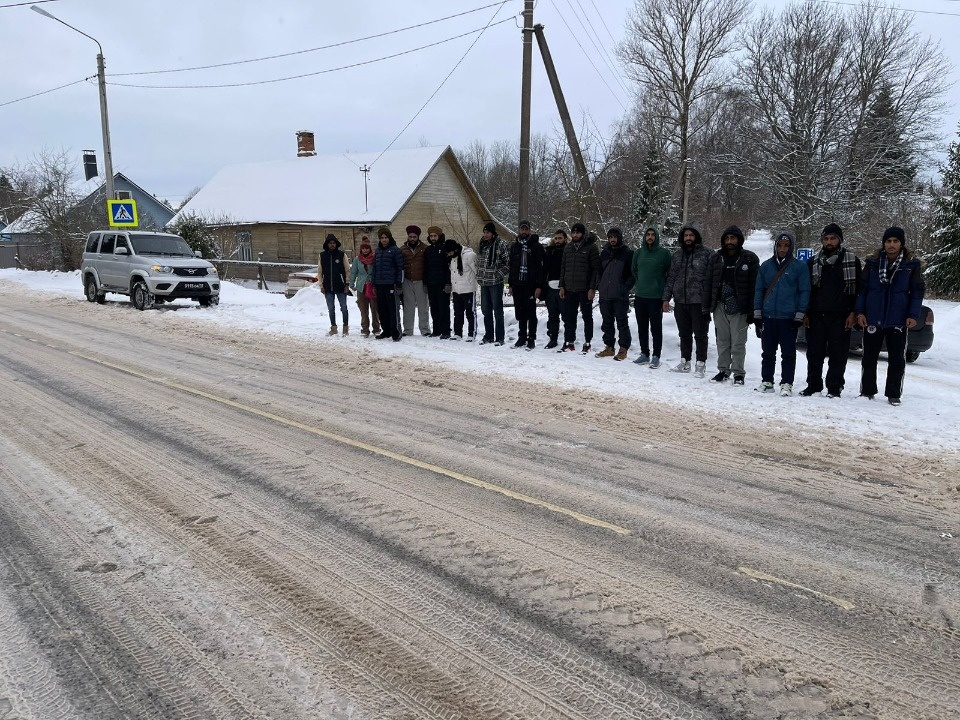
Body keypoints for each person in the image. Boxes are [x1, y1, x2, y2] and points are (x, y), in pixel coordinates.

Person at [855, 226, 924, 406]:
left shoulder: (911, 265)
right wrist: (860, 312)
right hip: (872, 317)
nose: (891, 245)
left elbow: (917, 293)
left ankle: (893, 394)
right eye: (888, 241)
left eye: (895, 241)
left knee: (896, 359)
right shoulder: (872, 263)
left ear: (901, 244)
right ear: (883, 243)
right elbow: (862, 291)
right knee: (869, 357)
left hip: (898, 319)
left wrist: (912, 315)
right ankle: (867, 391)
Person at [799, 223, 862, 398]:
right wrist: (805, 312)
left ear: (839, 240)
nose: (829, 242)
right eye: (826, 238)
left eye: (833, 238)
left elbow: (858, 290)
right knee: (814, 353)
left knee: (838, 354)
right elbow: (806, 290)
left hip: (842, 315)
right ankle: (813, 385)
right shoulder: (813, 262)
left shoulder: (851, 260)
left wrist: (853, 313)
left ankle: (834, 387)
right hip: (816, 315)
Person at [754, 231, 811, 395]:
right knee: (767, 353)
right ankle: (767, 381)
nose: (782, 249)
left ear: (791, 247)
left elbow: (804, 291)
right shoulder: (765, 266)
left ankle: (787, 383)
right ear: (775, 246)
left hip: (788, 317)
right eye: (780, 245)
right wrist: (757, 313)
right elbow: (759, 290)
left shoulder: (799, 267)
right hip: (768, 316)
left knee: (788, 353)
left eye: (786, 246)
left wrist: (800, 314)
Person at [702, 225, 759, 385]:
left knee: (738, 343)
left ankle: (739, 373)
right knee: (722, 341)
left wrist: (752, 310)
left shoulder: (749, 258)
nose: (729, 241)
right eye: (727, 238)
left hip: (740, 307)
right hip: (719, 305)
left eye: (733, 238)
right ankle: (723, 370)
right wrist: (706, 308)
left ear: (739, 239)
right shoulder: (716, 258)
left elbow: (755, 286)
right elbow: (708, 284)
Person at [663, 223, 713, 376]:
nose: (688, 238)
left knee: (700, 334)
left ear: (696, 237)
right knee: (684, 333)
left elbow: (713, 279)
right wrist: (666, 298)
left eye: (691, 235)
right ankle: (685, 362)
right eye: (686, 235)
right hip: (680, 300)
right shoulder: (677, 255)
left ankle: (700, 364)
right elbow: (671, 277)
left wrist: (710, 299)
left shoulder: (707, 254)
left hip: (699, 301)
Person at [631, 226, 671, 368]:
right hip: (640, 296)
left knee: (656, 328)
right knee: (642, 327)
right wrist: (641, 283)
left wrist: (662, 291)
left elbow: (669, 274)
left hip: (656, 298)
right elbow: (634, 270)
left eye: (653, 235)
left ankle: (656, 356)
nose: (650, 237)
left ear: (657, 237)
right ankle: (644, 354)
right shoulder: (638, 253)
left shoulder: (664, 254)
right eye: (647, 234)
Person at [558, 222, 601, 353]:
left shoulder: (591, 248)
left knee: (587, 316)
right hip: (570, 288)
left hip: (585, 289)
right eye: (573, 232)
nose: (575, 235)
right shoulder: (568, 248)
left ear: (583, 233)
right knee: (569, 316)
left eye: (578, 232)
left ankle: (587, 342)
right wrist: (561, 286)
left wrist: (592, 288)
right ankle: (569, 341)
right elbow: (563, 268)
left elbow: (596, 270)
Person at [595, 227, 634, 360]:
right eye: (610, 237)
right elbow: (599, 272)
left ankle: (623, 348)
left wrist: (624, 288)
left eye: (615, 237)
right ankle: (609, 347)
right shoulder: (604, 253)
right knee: (607, 322)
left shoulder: (627, 253)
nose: (612, 239)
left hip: (620, 295)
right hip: (605, 293)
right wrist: (599, 285)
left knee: (622, 322)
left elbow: (632, 275)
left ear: (619, 238)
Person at [508, 219, 546, 349]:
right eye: (522, 229)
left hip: (530, 285)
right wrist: (511, 284)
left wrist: (539, 286)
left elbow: (541, 268)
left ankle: (532, 338)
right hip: (517, 284)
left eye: (526, 229)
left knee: (531, 313)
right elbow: (511, 266)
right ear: (519, 230)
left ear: (529, 230)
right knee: (520, 313)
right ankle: (521, 337)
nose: (524, 231)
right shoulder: (514, 246)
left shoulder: (536, 246)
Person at [476, 221, 509, 345]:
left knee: (498, 311)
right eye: (484, 232)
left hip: (495, 282)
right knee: (486, 310)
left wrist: (497, 274)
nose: (485, 235)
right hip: (484, 282)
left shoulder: (501, 244)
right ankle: (488, 336)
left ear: (493, 233)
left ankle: (500, 338)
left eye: (488, 232)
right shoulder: (482, 244)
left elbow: (508, 264)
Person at [372, 226, 404, 341]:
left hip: (391, 284)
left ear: (389, 238)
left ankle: (396, 332)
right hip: (379, 285)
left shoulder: (395, 250)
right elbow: (375, 268)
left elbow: (400, 268)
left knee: (393, 309)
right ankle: (386, 331)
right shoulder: (378, 251)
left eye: (386, 237)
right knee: (382, 309)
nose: (384, 240)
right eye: (382, 238)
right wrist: (374, 284)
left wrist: (399, 284)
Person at [400, 225, 431, 336]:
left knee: (423, 307)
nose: (412, 238)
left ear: (418, 236)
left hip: (421, 280)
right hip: (407, 281)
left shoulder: (425, 248)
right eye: (410, 236)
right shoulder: (402, 249)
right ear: (408, 236)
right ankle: (408, 330)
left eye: (414, 236)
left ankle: (425, 329)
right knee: (408, 307)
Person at [446, 238, 478, 341]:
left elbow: (477, 271)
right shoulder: (452, 258)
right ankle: (458, 333)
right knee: (457, 313)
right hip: (456, 290)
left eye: (450, 252)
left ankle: (471, 334)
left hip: (468, 289)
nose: (449, 254)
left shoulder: (469, 255)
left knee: (470, 313)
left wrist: (474, 284)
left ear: (455, 250)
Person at [319, 233, 350, 336]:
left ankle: (345, 328)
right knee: (331, 309)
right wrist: (321, 285)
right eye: (330, 243)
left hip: (341, 286)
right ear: (327, 244)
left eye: (334, 243)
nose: (332, 245)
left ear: (336, 244)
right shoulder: (322, 256)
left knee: (344, 307)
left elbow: (347, 270)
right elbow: (319, 272)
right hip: (328, 286)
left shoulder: (341, 255)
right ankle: (333, 328)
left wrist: (347, 283)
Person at [349, 235, 381, 337]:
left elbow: (378, 271)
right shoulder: (357, 260)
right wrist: (351, 283)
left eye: (367, 248)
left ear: (370, 249)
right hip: (361, 287)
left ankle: (376, 328)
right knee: (363, 309)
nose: (365, 250)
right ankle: (365, 329)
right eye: (363, 248)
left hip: (372, 286)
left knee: (375, 309)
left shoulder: (375, 258)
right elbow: (353, 272)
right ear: (361, 249)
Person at [424, 225, 452, 339]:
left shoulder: (445, 249)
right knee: (434, 308)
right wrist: (425, 283)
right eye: (431, 236)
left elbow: (448, 268)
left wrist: (448, 283)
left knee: (444, 307)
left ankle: (446, 331)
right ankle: (436, 330)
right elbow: (426, 267)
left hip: (442, 283)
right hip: (431, 283)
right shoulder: (428, 250)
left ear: (439, 236)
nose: (433, 238)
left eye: (435, 236)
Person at [542, 229, 568, 349]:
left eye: (560, 238)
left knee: (566, 315)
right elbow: (544, 269)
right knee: (552, 316)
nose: (557, 240)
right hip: (550, 287)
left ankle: (568, 340)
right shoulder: (549, 252)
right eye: (556, 238)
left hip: (564, 287)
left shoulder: (568, 251)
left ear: (565, 239)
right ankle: (553, 338)